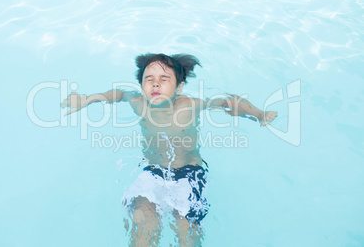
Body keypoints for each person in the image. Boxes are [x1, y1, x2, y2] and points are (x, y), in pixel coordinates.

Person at [61, 53, 278, 247]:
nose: (155, 85)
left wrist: (259, 114)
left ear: (179, 87)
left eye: (164, 80)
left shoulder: (189, 105)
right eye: (149, 80)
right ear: (141, 85)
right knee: (142, 220)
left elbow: (226, 101)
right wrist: (85, 100)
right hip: (153, 173)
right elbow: (117, 94)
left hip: (189, 175)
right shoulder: (138, 103)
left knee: (186, 230)